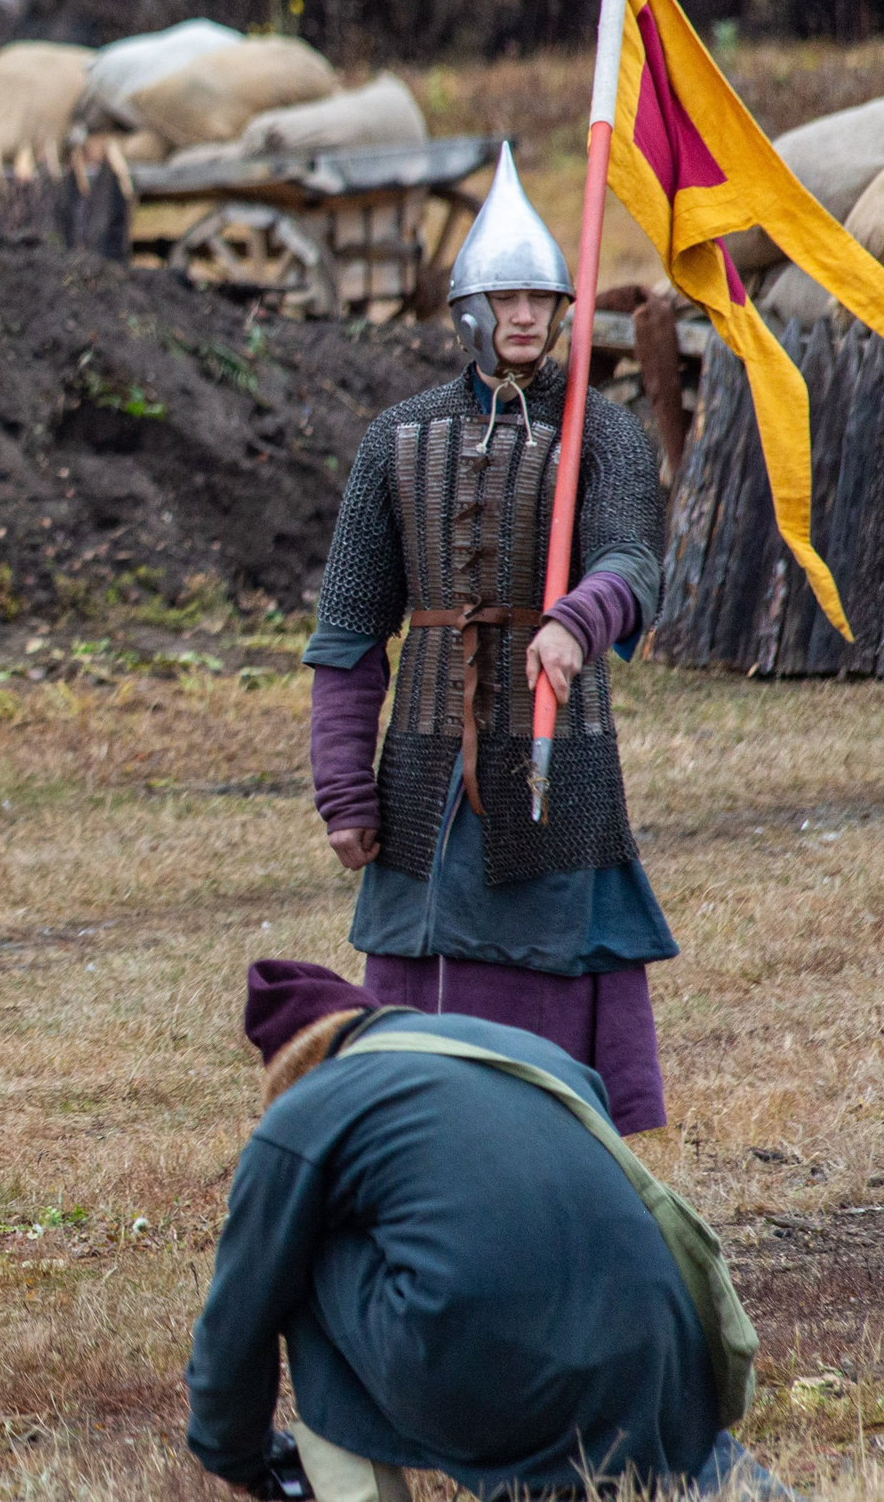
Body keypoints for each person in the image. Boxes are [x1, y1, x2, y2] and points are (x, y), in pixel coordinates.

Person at [303, 146, 674, 1134]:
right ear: (466, 309)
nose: (522, 316)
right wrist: (343, 789)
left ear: (561, 312)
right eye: (504, 297)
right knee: (417, 1047)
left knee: (548, 1032)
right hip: (423, 766)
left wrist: (575, 619)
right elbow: (347, 634)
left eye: (540, 298)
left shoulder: (603, 432)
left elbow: (632, 564)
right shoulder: (396, 438)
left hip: (558, 754)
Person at [187, 960, 779, 1502]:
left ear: (294, 1071)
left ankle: (348, 1490)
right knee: (670, 1471)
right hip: (662, 1347)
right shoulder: (519, 1050)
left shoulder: (305, 1111)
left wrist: (235, 1456)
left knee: (301, 1239)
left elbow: (240, 1313)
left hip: (503, 1376)